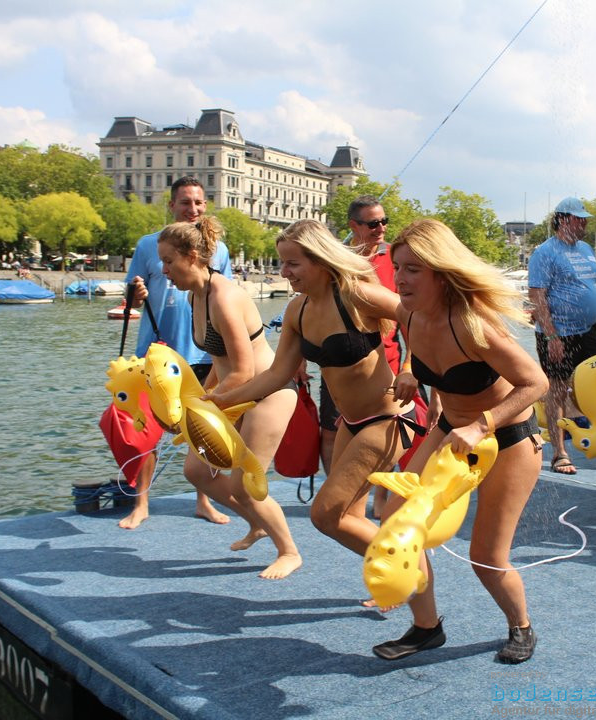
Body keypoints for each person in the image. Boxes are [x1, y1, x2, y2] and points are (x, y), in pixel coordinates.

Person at [375, 218, 547, 664]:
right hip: (450, 434)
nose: (400, 277)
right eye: (397, 267)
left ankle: (521, 626)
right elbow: (419, 351)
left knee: (486, 555)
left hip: (507, 439)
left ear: (440, 271)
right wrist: (411, 370)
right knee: (396, 521)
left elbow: (536, 383)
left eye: (413, 269)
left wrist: (482, 424)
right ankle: (426, 627)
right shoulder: (406, 314)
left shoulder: (475, 325)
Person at [207, 220, 422, 573]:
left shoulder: (356, 295)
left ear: (320, 261)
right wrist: (221, 401)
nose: (284, 272)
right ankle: (390, 576)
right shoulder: (297, 311)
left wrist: (411, 367)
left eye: (293, 263)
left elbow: (414, 315)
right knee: (348, 516)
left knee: (324, 514)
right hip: (350, 422)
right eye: (282, 262)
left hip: (391, 418)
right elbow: (276, 375)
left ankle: (410, 570)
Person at [154, 217, 302, 578]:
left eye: (169, 261)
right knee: (196, 470)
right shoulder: (195, 295)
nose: (164, 270)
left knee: (245, 483)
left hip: (269, 392)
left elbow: (243, 369)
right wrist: (204, 394)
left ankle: (290, 551)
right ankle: (258, 524)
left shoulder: (225, 296)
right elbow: (219, 362)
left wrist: (195, 408)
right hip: (234, 392)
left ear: (192, 256)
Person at [120, 176, 233, 530]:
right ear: (172, 206)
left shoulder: (220, 250)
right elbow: (131, 294)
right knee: (148, 431)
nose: (193, 209)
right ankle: (141, 503)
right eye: (186, 202)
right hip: (155, 353)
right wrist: (134, 294)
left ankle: (203, 501)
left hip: (200, 355)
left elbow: (226, 297)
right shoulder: (147, 245)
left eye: (199, 203)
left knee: (199, 430)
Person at [314, 196, 403, 479]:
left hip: (388, 361)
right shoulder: (335, 262)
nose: (381, 228)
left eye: (384, 221)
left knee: (388, 428)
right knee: (332, 429)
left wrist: (412, 365)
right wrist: (298, 365)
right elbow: (315, 309)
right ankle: (334, 487)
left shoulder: (395, 258)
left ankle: (379, 496)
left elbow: (412, 313)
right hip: (340, 360)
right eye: (374, 223)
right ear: (354, 225)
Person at [527, 197, 596, 475]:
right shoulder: (545, 252)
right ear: (563, 219)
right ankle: (559, 453)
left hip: (588, 333)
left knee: (595, 391)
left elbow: (592, 289)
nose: (585, 223)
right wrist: (552, 337)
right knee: (557, 391)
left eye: (585, 219)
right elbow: (537, 295)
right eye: (579, 218)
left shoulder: (586, 249)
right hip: (559, 335)